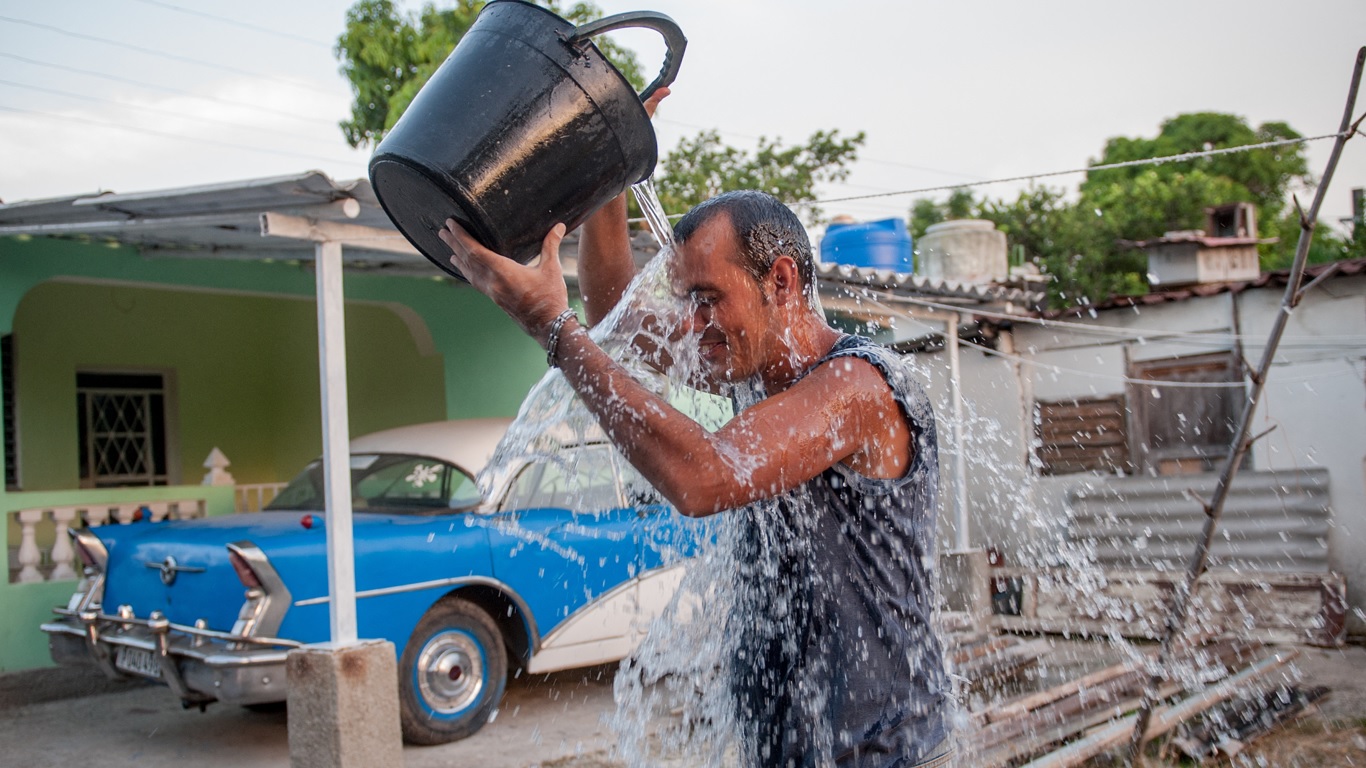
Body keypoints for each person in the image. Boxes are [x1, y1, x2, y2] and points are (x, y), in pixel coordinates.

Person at [437, 94, 952, 768]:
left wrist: (551, 330)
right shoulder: (750, 364)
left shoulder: (856, 387)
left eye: (706, 297)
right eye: (684, 300)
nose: (690, 323)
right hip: (788, 747)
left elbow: (704, 477)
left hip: (888, 752)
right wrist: (608, 172)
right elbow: (615, 319)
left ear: (783, 281)